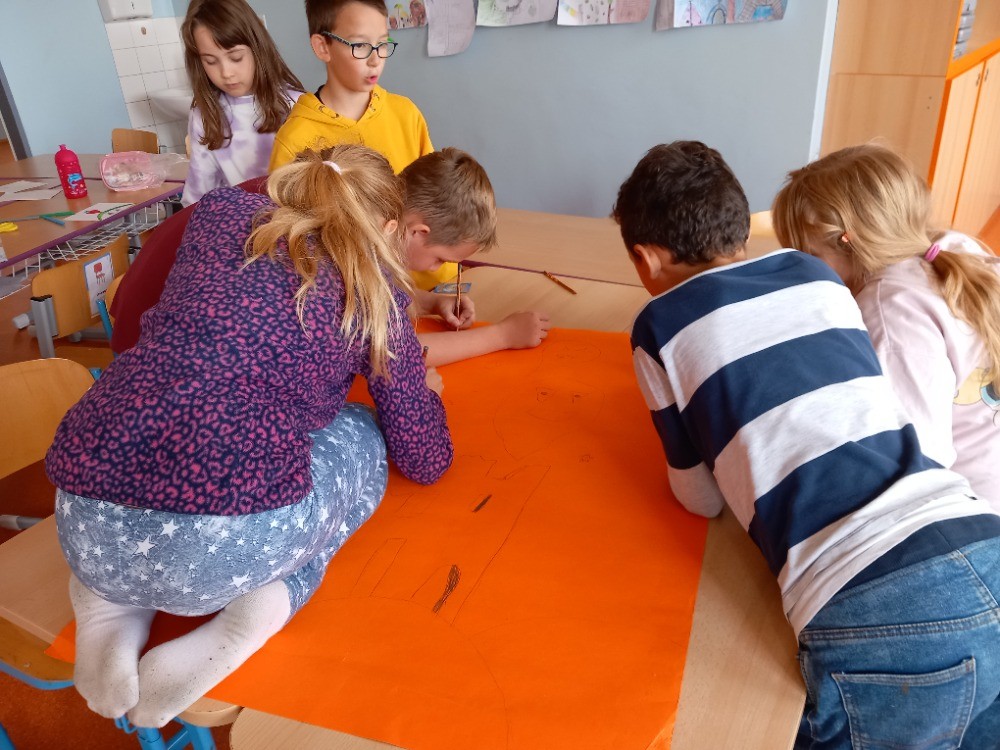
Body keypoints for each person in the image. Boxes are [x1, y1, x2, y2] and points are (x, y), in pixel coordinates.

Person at [46, 144, 453, 729]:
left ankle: (105, 611)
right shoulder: (375, 290)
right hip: (223, 552)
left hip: (83, 519)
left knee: (137, 491)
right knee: (365, 432)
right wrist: (423, 396)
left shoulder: (216, 214)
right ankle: (252, 617)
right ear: (389, 228)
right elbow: (424, 458)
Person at [613, 140, 1000, 748]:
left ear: (645, 258)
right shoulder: (818, 275)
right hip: (980, 538)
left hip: (872, 596)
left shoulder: (656, 326)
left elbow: (701, 500)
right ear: (743, 231)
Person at [111, 148, 550, 366]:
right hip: (154, 349)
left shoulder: (346, 195)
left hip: (158, 323)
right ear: (416, 231)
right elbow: (391, 353)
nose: (437, 269)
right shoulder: (343, 236)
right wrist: (502, 336)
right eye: (438, 259)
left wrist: (430, 301)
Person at [772, 143, 1000, 511]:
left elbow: (920, 458)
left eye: (811, 257)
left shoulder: (888, 311)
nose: (806, 270)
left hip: (974, 509)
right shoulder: (955, 248)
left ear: (848, 241)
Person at [267, 0, 451, 289]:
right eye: (361, 46)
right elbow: (292, 240)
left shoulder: (405, 114)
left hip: (430, 283)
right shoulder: (295, 139)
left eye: (382, 44)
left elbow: (434, 200)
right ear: (322, 47)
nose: (376, 59)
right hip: (355, 293)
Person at [179, 0, 304, 206]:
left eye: (236, 57)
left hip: (293, 218)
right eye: (210, 61)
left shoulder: (296, 105)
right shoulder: (205, 115)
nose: (226, 73)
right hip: (236, 220)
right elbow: (197, 196)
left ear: (257, 48)